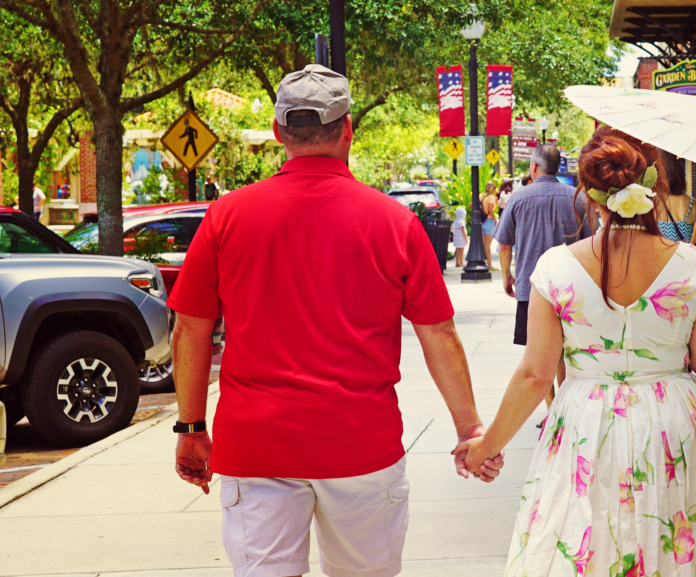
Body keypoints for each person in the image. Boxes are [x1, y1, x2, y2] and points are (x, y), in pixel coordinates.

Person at [167, 64, 502, 577]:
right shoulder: (396, 222)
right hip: (361, 445)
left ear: (279, 132)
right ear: (347, 129)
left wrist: (191, 427)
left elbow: (190, 329)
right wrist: (469, 429)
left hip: (256, 444)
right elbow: (438, 332)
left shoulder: (226, 217)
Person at [459, 132, 696, 577]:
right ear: (652, 186)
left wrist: (486, 448)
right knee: (667, 547)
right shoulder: (695, 266)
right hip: (673, 425)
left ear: (589, 194)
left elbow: (536, 375)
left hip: (587, 421)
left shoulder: (555, 267)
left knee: (583, 542)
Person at [496, 144, 593, 408]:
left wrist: (507, 276)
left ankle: (551, 409)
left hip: (531, 288)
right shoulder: (578, 198)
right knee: (564, 350)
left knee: (538, 351)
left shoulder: (518, 198)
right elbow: (592, 243)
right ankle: (563, 407)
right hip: (571, 288)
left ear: (535, 166)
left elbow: (504, 245)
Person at [480, 181, 499, 270]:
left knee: (483, 244)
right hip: (489, 221)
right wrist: (495, 220)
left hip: (481, 221)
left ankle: (483, 262)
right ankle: (489, 265)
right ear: (490, 188)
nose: (495, 190)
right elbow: (490, 209)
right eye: (494, 188)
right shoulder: (491, 197)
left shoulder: (481, 196)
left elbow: (471, 204)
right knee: (487, 245)